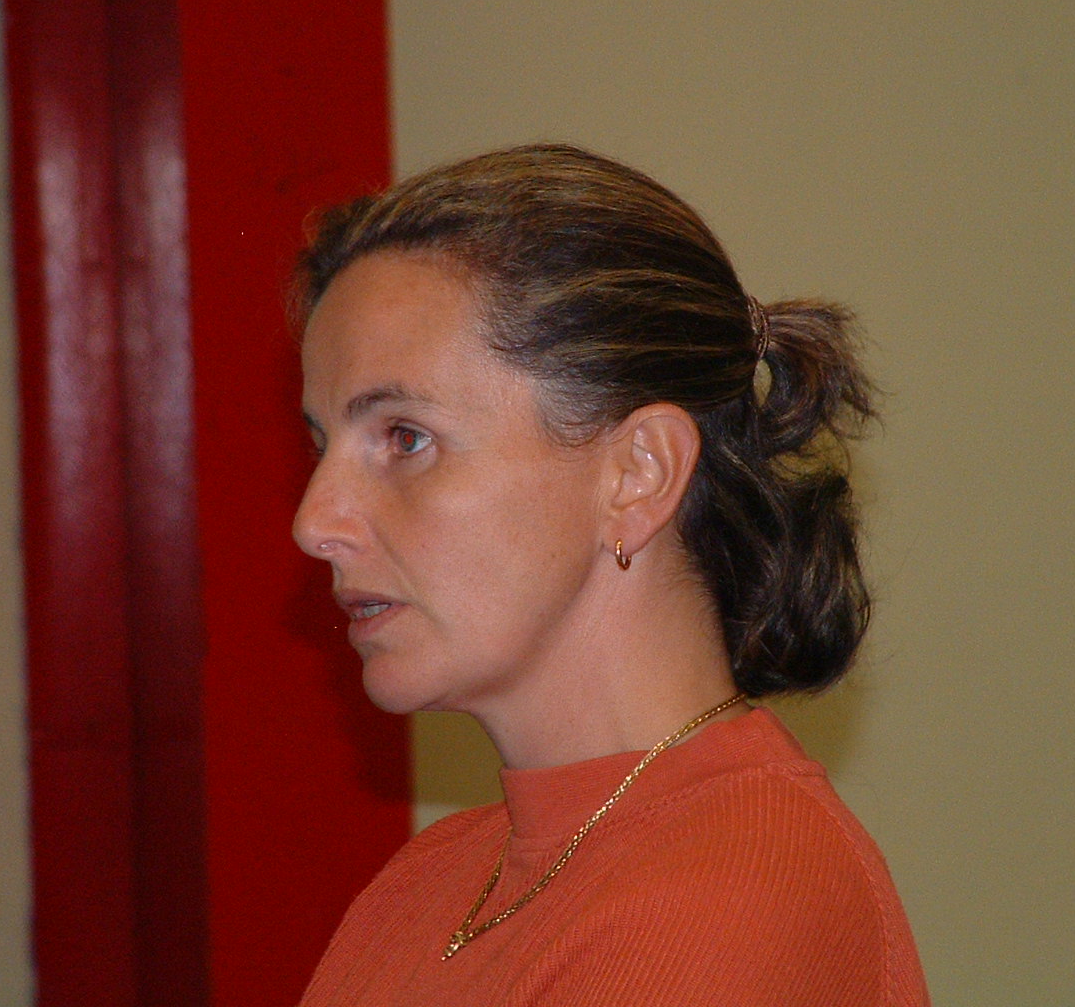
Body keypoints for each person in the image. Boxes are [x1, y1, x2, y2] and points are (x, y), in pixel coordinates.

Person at [290, 144, 928, 1006]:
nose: (315, 522)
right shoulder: (429, 879)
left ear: (638, 474)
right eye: (322, 447)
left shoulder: (731, 898)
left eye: (406, 438)